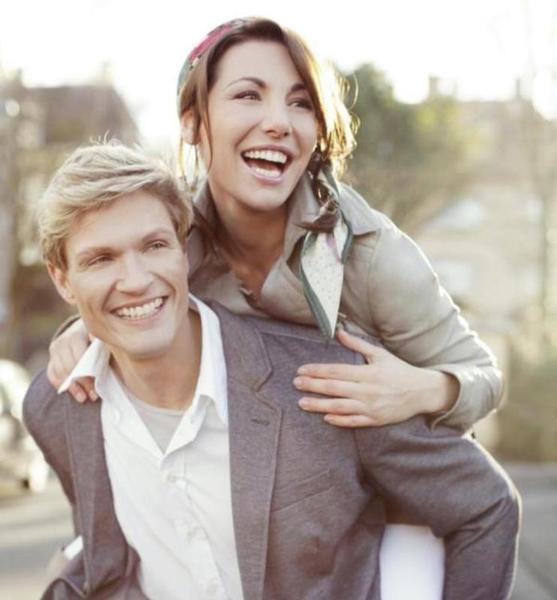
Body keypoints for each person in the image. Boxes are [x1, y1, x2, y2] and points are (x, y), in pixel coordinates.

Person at [43, 16, 514, 597]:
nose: (278, 122)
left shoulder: (370, 254)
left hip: (394, 498)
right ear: (192, 122)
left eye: (300, 103)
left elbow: (484, 377)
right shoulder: (178, 237)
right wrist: (84, 331)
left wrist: (421, 389)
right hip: (281, 497)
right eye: (248, 95)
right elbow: (129, 281)